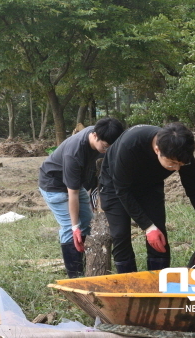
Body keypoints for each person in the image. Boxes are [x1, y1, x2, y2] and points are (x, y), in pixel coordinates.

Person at [99, 122, 195, 273]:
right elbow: (122, 190)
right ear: (157, 149)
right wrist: (147, 227)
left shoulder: (181, 152)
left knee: (159, 233)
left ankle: (160, 281)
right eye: (172, 163)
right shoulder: (130, 145)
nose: (177, 168)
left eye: (180, 164)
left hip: (150, 184)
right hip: (115, 184)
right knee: (120, 234)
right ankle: (129, 283)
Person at [38, 117, 124, 278]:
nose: (106, 150)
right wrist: (74, 226)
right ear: (95, 135)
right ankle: (75, 276)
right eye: (105, 147)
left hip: (75, 184)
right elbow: (73, 194)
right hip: (54, 186)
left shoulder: (100, 132)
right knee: (71, 229)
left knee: (88, 223)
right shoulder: (74, 153)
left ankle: (86, 266)